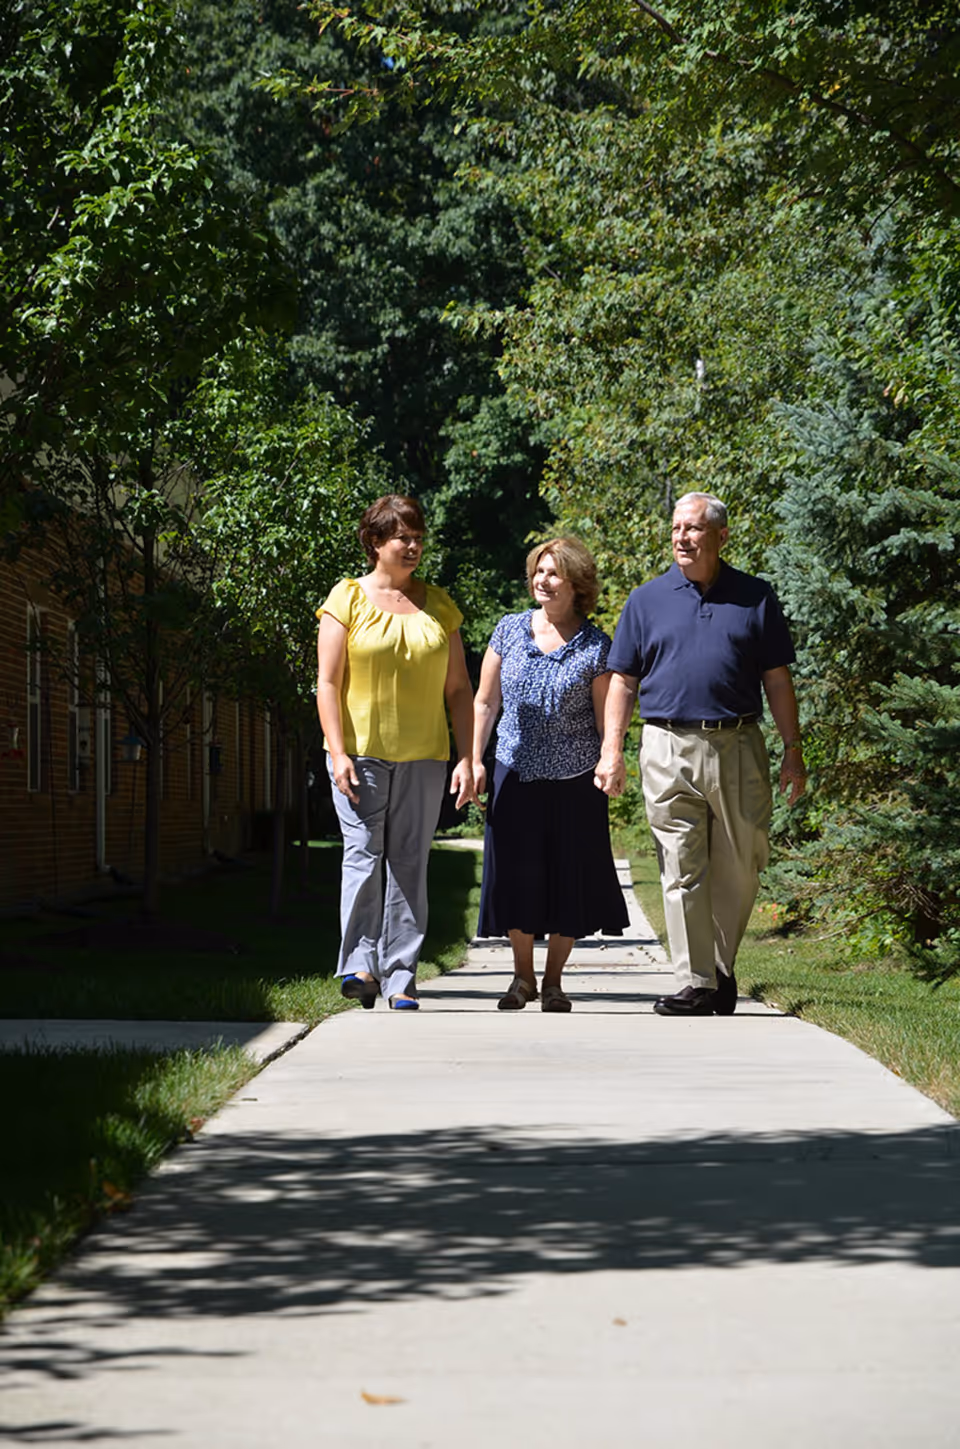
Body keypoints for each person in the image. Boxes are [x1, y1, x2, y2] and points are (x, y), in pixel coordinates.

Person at [595, 492, 806, 1016]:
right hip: (666, 743)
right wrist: (611, 751)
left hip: (739, 742)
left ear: (720, 535)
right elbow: (623, 680)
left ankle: (721, 967)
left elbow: (777, 679)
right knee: (680, 865)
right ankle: (697, 981)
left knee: (742, 863)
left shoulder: (756, 597)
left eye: (693, 529)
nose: (682, 538)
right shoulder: (646, 600)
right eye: (675, 529)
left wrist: (793, 750)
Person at [316, 494, 474, 1011]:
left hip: (425, 755)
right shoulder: (347, 599)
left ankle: (401, 974)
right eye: (402, 537)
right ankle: (360, 965)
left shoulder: (439, 605)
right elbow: (327, 682)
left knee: (409, 862)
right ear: (375, 541)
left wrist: (467, 757)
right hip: (359, 753)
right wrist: (337, 754)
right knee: (363, 855)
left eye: (418, 538)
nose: (413, 546)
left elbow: (458, 690)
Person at [473, 538, 628, 1013]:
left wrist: (612, 758)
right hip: (513, 773)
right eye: (539, 571)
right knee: (517, 880)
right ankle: (522, 978)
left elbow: (607, 720)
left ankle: (555, 981)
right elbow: (485, 700)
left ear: (577, 583)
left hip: (575, 780)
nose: (543, 580)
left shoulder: (597, 646)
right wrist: (475, 759)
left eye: (554, 573)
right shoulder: (508, 629)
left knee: (567, 881)